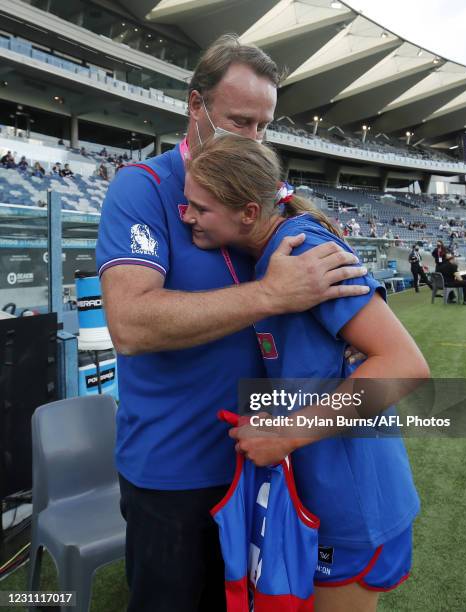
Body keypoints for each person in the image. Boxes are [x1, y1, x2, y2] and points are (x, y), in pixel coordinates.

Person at [96, 34, 370, 612]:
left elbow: (350, 307)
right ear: (196, 108)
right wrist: (270, 294)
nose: (252, 140)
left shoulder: (262, 195)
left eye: (263, 127)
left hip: (265, 462)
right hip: (173, 472)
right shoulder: (141, 188)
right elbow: (131, 323)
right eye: (238, 121)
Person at [184, 134, 429, 612]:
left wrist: (285, 434)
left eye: (200, 208)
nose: (186, 216)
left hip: (353, 504)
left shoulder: (302, 249)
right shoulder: (273, 257)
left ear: (249, 213)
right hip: (321, 496)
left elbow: (404, 365)